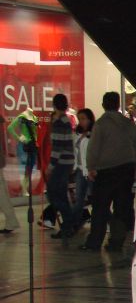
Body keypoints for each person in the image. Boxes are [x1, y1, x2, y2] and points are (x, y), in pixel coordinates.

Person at [81, 92, 136, 251]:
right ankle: (116, 242)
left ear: (103, 105)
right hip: (126, 169)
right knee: (122, 208)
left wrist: (91, 167)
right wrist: (135, 165)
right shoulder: (127, 123)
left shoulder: (101, 124)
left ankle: (94, 242)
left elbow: (93, 148)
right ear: (118, 104)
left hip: (106, 171)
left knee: (100, 208)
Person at [48, 94, 76, 241]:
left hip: (61, 163)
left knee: (54, 194)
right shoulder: (66, 120)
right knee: (61, 195)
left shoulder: (59, 122)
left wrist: (51, 165)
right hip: (67, 162)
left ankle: (69, 222)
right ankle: (67, 227)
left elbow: (58, 146)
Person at [71, 108, 95, 234]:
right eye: (79, 119)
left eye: (83, 119)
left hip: (91, 170)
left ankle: (107, 223)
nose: (81, 121)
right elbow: (76, 152)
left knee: (95, 199)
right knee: (79, 199)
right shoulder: (77, 134)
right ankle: (74, 224)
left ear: (90, 119)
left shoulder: (94, 133)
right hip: (80, 170)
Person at [6, 107, 38, 196]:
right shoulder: (22, 117)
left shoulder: (35, 117)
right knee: (24, 167)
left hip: (33, 145)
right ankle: (24, 189)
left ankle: (25, 187)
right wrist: (19, 137)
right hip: (24, 145)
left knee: (31, 167)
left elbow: (36, 132)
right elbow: (10, 128)